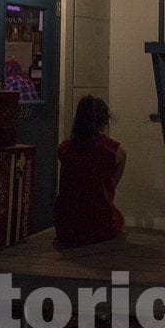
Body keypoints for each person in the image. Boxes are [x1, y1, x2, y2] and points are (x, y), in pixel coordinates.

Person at [53, 94, 126, 245]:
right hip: (98, 225)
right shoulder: (114, 151)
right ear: (104, 120)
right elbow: (111, 184)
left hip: (67, 227)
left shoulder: (65, 149)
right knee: (118, 219)